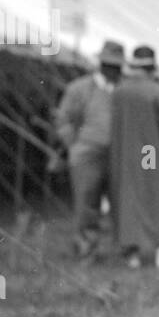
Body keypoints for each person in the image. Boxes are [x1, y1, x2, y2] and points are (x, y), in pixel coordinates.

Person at [110, 45, 159, 270]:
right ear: (152, 67)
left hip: (125, 156)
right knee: (158, 198)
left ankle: (132, 257)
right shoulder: (158, 92)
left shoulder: (119, 91)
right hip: (151, 154)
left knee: (128, 200)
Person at [54, 40, 124, 257]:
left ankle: (122, 249)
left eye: (117, 65)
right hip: (87, 154)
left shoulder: (124, 90)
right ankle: (87, 249)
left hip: (118, 155)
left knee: (121, 202)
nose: (113, 70)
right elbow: (63, 119)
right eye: (109, 64)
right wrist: (73, 146)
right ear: (101, 64)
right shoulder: (79, 88)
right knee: (86, 202)